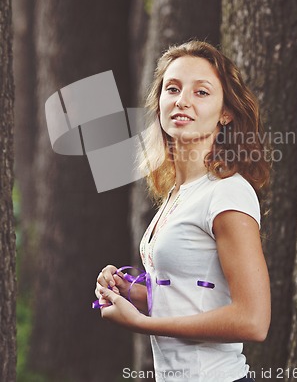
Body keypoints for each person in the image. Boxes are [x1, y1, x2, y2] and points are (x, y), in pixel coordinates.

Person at [95, 41, 271, 382]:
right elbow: (188, 299)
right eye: (172, 88)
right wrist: (127, 292)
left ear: (226, 112)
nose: (182, 100)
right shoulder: (179, 193)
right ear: (159, 103)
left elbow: (253, 320)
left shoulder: (228, 193)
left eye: (201, 92)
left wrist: (142, 324)